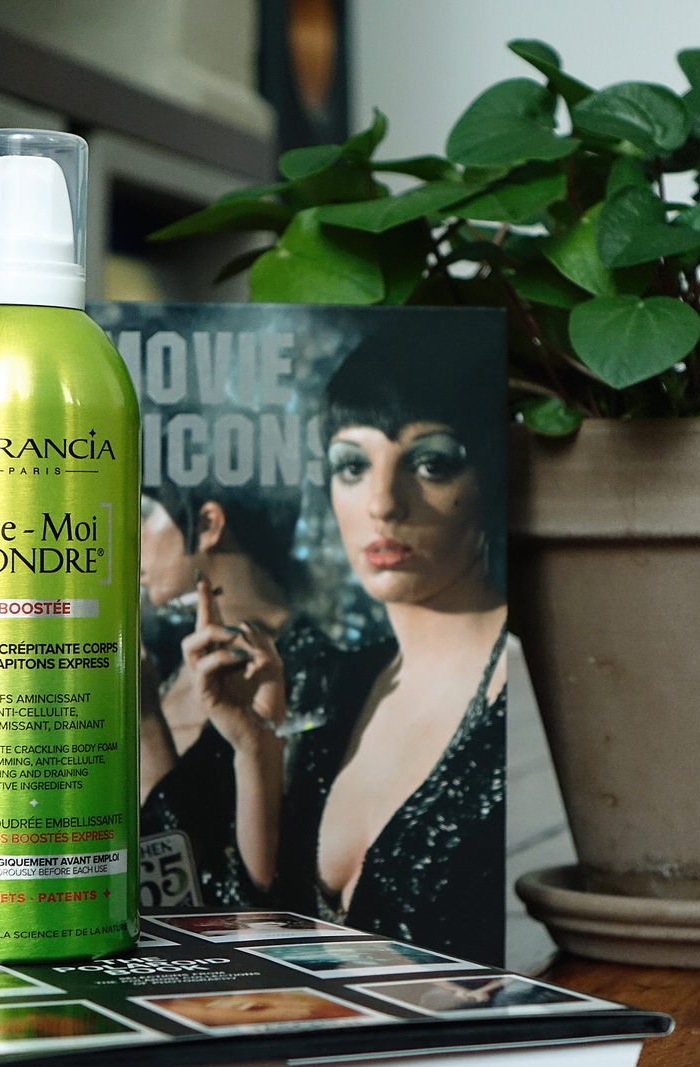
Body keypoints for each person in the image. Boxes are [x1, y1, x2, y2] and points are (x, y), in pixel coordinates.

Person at [186, 333, 508, 963]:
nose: (383, 504)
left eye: (432, 464)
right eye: (352, 467)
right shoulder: (343, 682)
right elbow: (265, 933)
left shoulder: (522, 680)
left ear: (491, 475)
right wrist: (256, 754)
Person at [137, 482, 328, 905]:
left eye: (145, 516)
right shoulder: (167, 656)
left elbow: (211, 889)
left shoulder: (312, 678)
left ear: (208, 524)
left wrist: (146, 726)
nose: (129, 541)